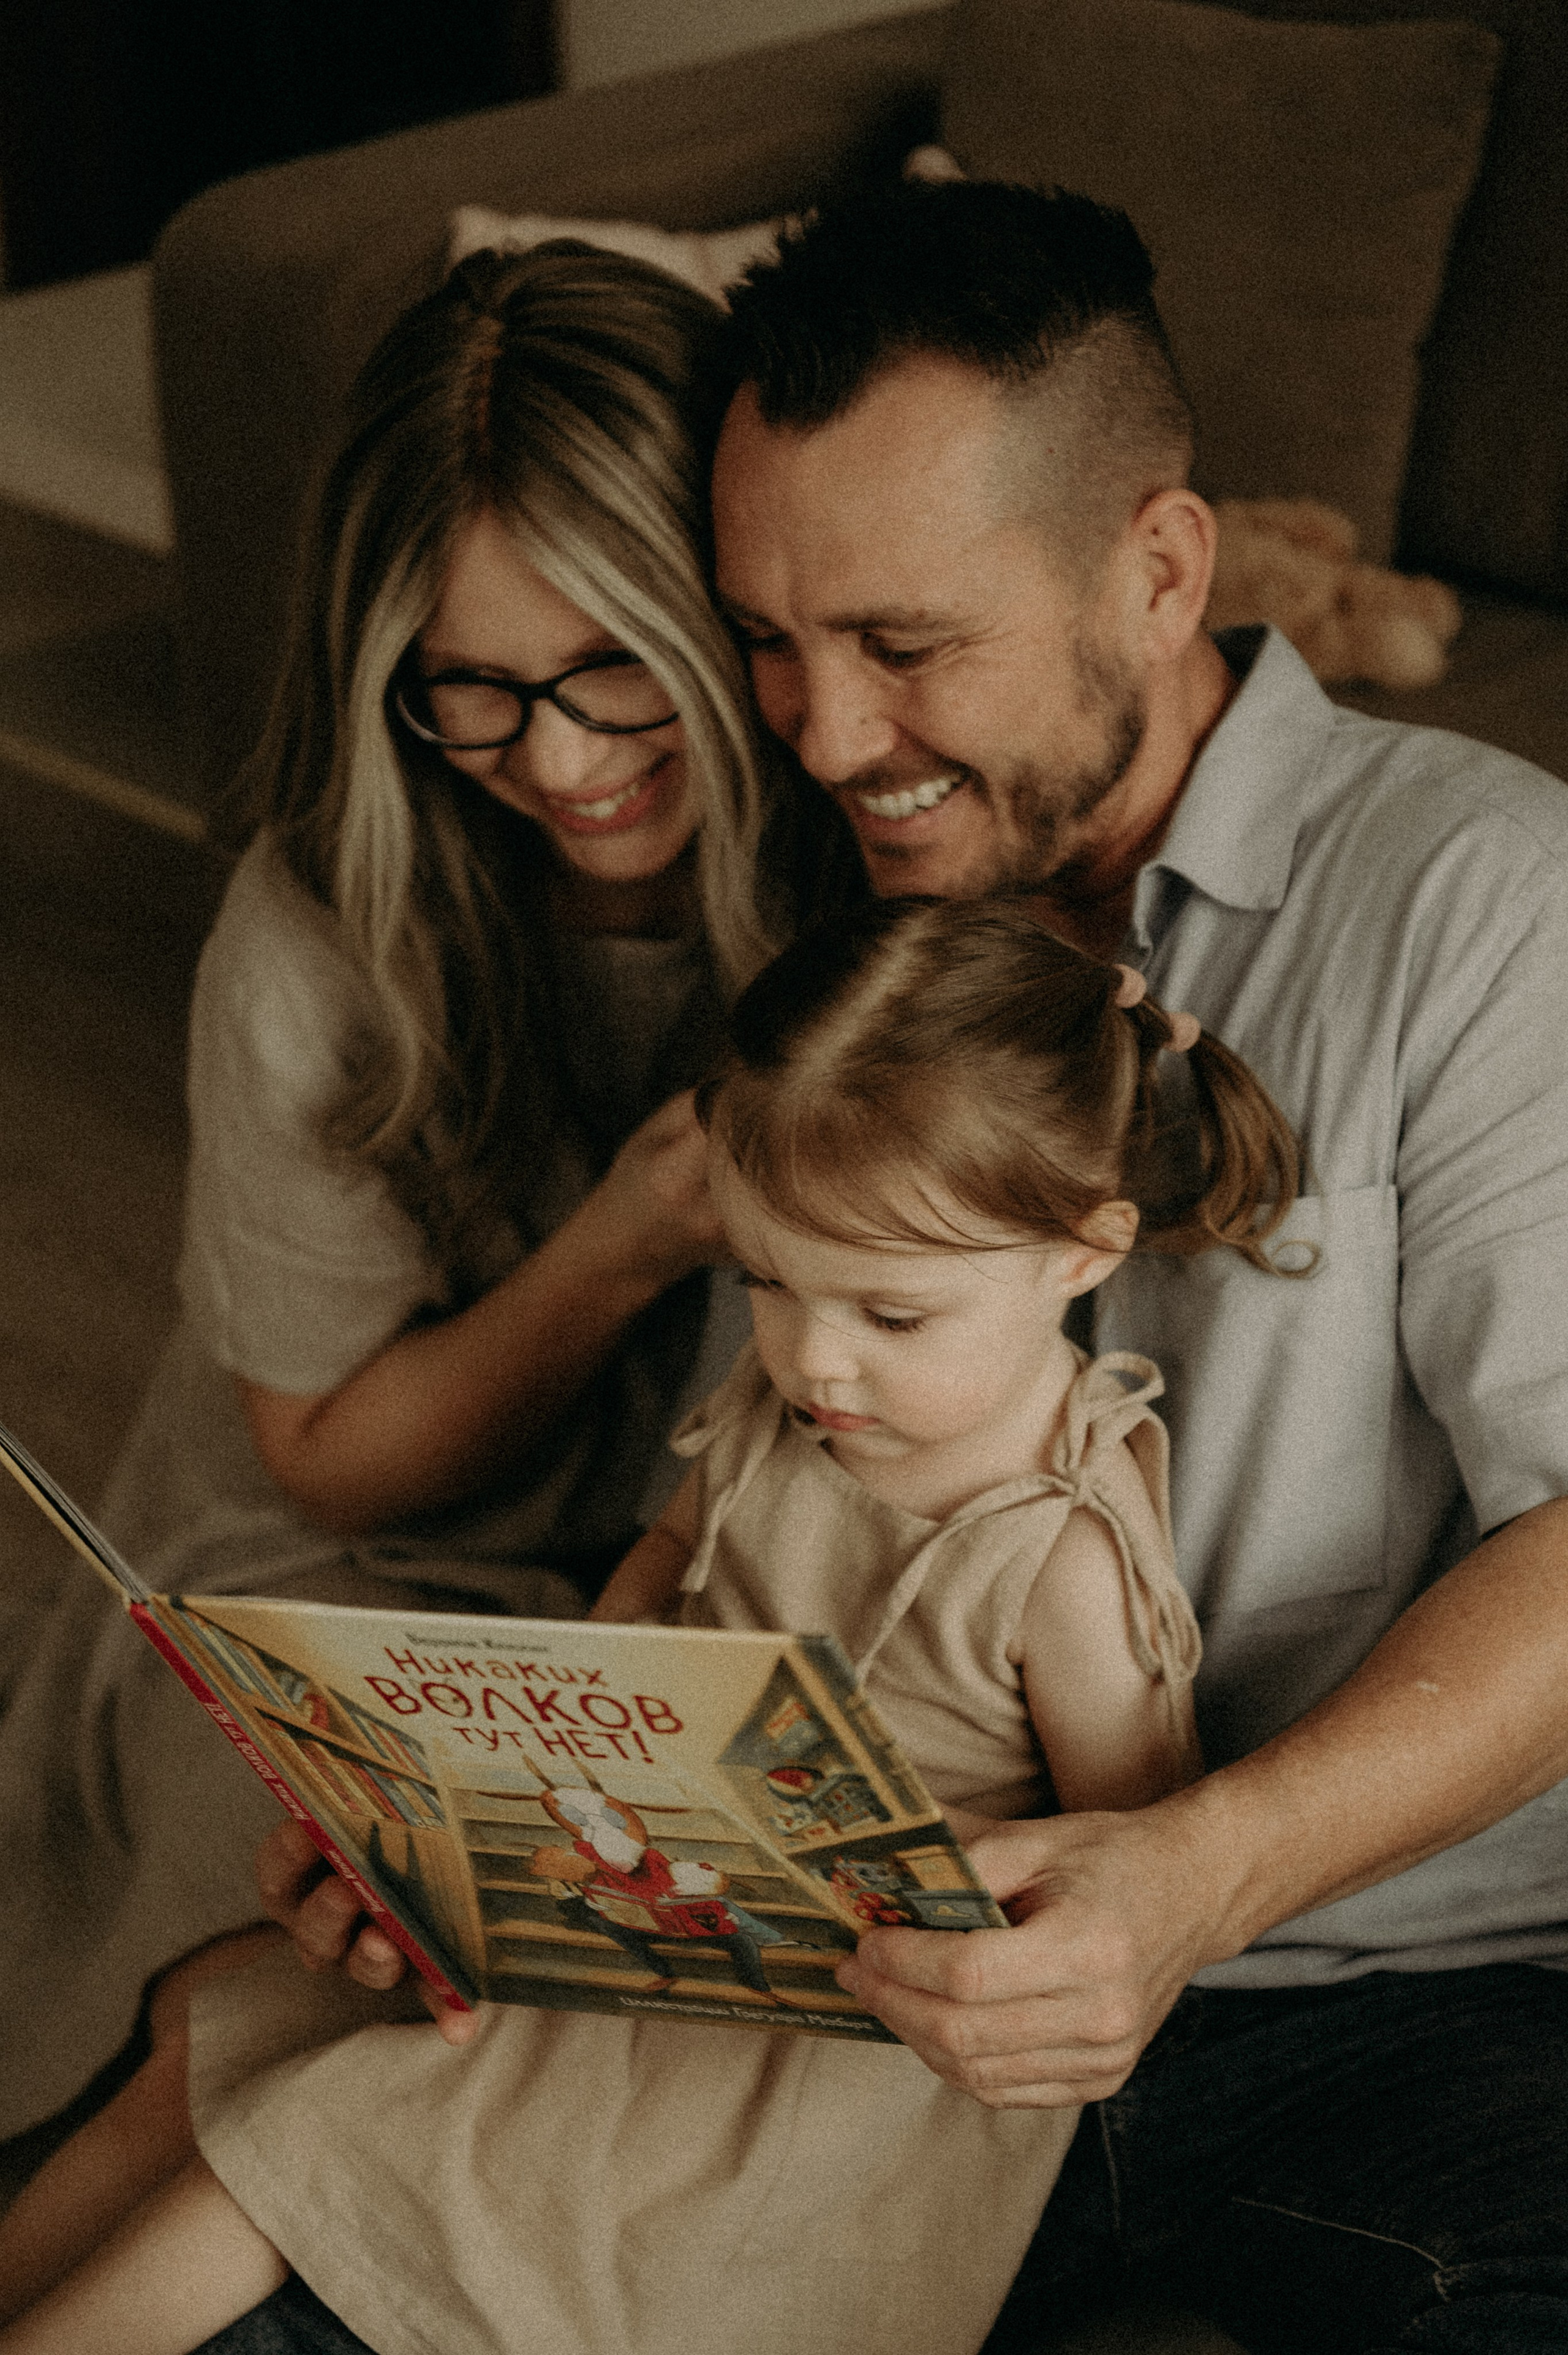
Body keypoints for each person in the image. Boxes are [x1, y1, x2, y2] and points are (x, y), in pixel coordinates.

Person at [0, 897, 1308, 2355]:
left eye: (889, 1314)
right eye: (768, 1282)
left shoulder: (1058, 1552)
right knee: (208, 2048)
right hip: (624, 1887)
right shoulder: (793, 1402)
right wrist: (558, 1715)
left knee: (278, 2160)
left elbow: (1121, 1880)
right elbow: (674, 1549)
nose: (815, 1359)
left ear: (1083, 1249)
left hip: (805, 2058)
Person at [701, 180, 1568, 2348]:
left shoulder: (1483, 902)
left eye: (906, 644)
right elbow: (734, 1520)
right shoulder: (842, 926)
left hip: (1402, 1999)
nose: (827, 735)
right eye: (772, 638)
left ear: (1162, 569)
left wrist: (1198, 1874)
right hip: (864, 1989)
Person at [0, 240, 862, 2173]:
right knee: (298, 1923)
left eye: (615, 663)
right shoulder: (319, 927)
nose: (557, 760)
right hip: (344, 1548)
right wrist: (627, 1238)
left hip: (671, 1594)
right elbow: (329, 1461)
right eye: (468, 688)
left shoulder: (860, 862)